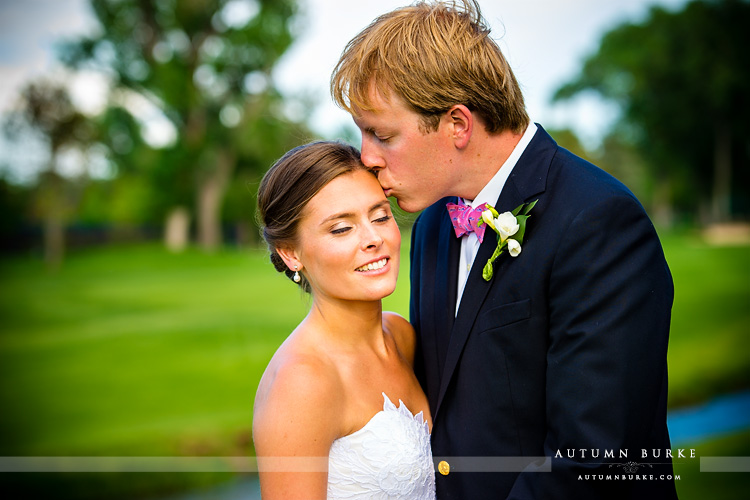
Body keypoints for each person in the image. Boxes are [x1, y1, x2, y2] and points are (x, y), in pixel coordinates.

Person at [331, 1, 678, 499]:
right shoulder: (432, 223)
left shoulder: (599, 223)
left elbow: (595, 460)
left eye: (383, 134)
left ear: (457, 124)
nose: (366, 156)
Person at [252, 141, 436, 500]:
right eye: (341, 228)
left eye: (381, 216)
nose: (373, 239)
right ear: (291, 254)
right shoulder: (303, 381)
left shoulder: (400, 336)